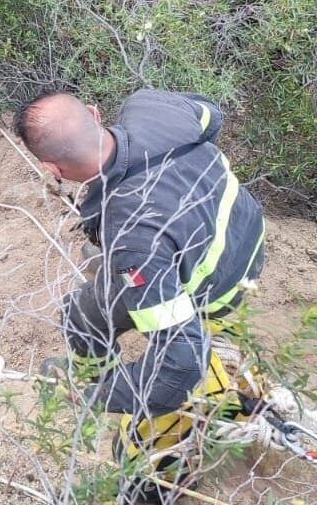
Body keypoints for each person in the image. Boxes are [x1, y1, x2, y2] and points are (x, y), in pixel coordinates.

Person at [14, 89, 266, 502]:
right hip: (243, 230)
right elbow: (212, 116)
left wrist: (96, 399)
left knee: (142, 453)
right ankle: (96, 374)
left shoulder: (134, 239)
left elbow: (182, 362)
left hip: (215, 286)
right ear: (95, 113)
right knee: (82, 314)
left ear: (51, 169)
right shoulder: (151, 106)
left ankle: (159, 475)